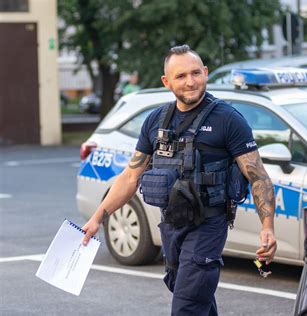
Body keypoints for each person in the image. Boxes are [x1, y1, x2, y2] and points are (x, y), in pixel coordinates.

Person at [82, 44, 277, 315]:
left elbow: (258, 176)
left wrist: (267, 225)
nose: (190, 81)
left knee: (187, 305)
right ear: (166, 81)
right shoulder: (155, 121)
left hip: (208, 225)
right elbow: (130, 176)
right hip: (172, 225)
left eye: (196, 73)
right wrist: (97, 218)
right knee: (192, 295)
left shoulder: (228, 120)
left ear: (206, 73)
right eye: (181, 76)